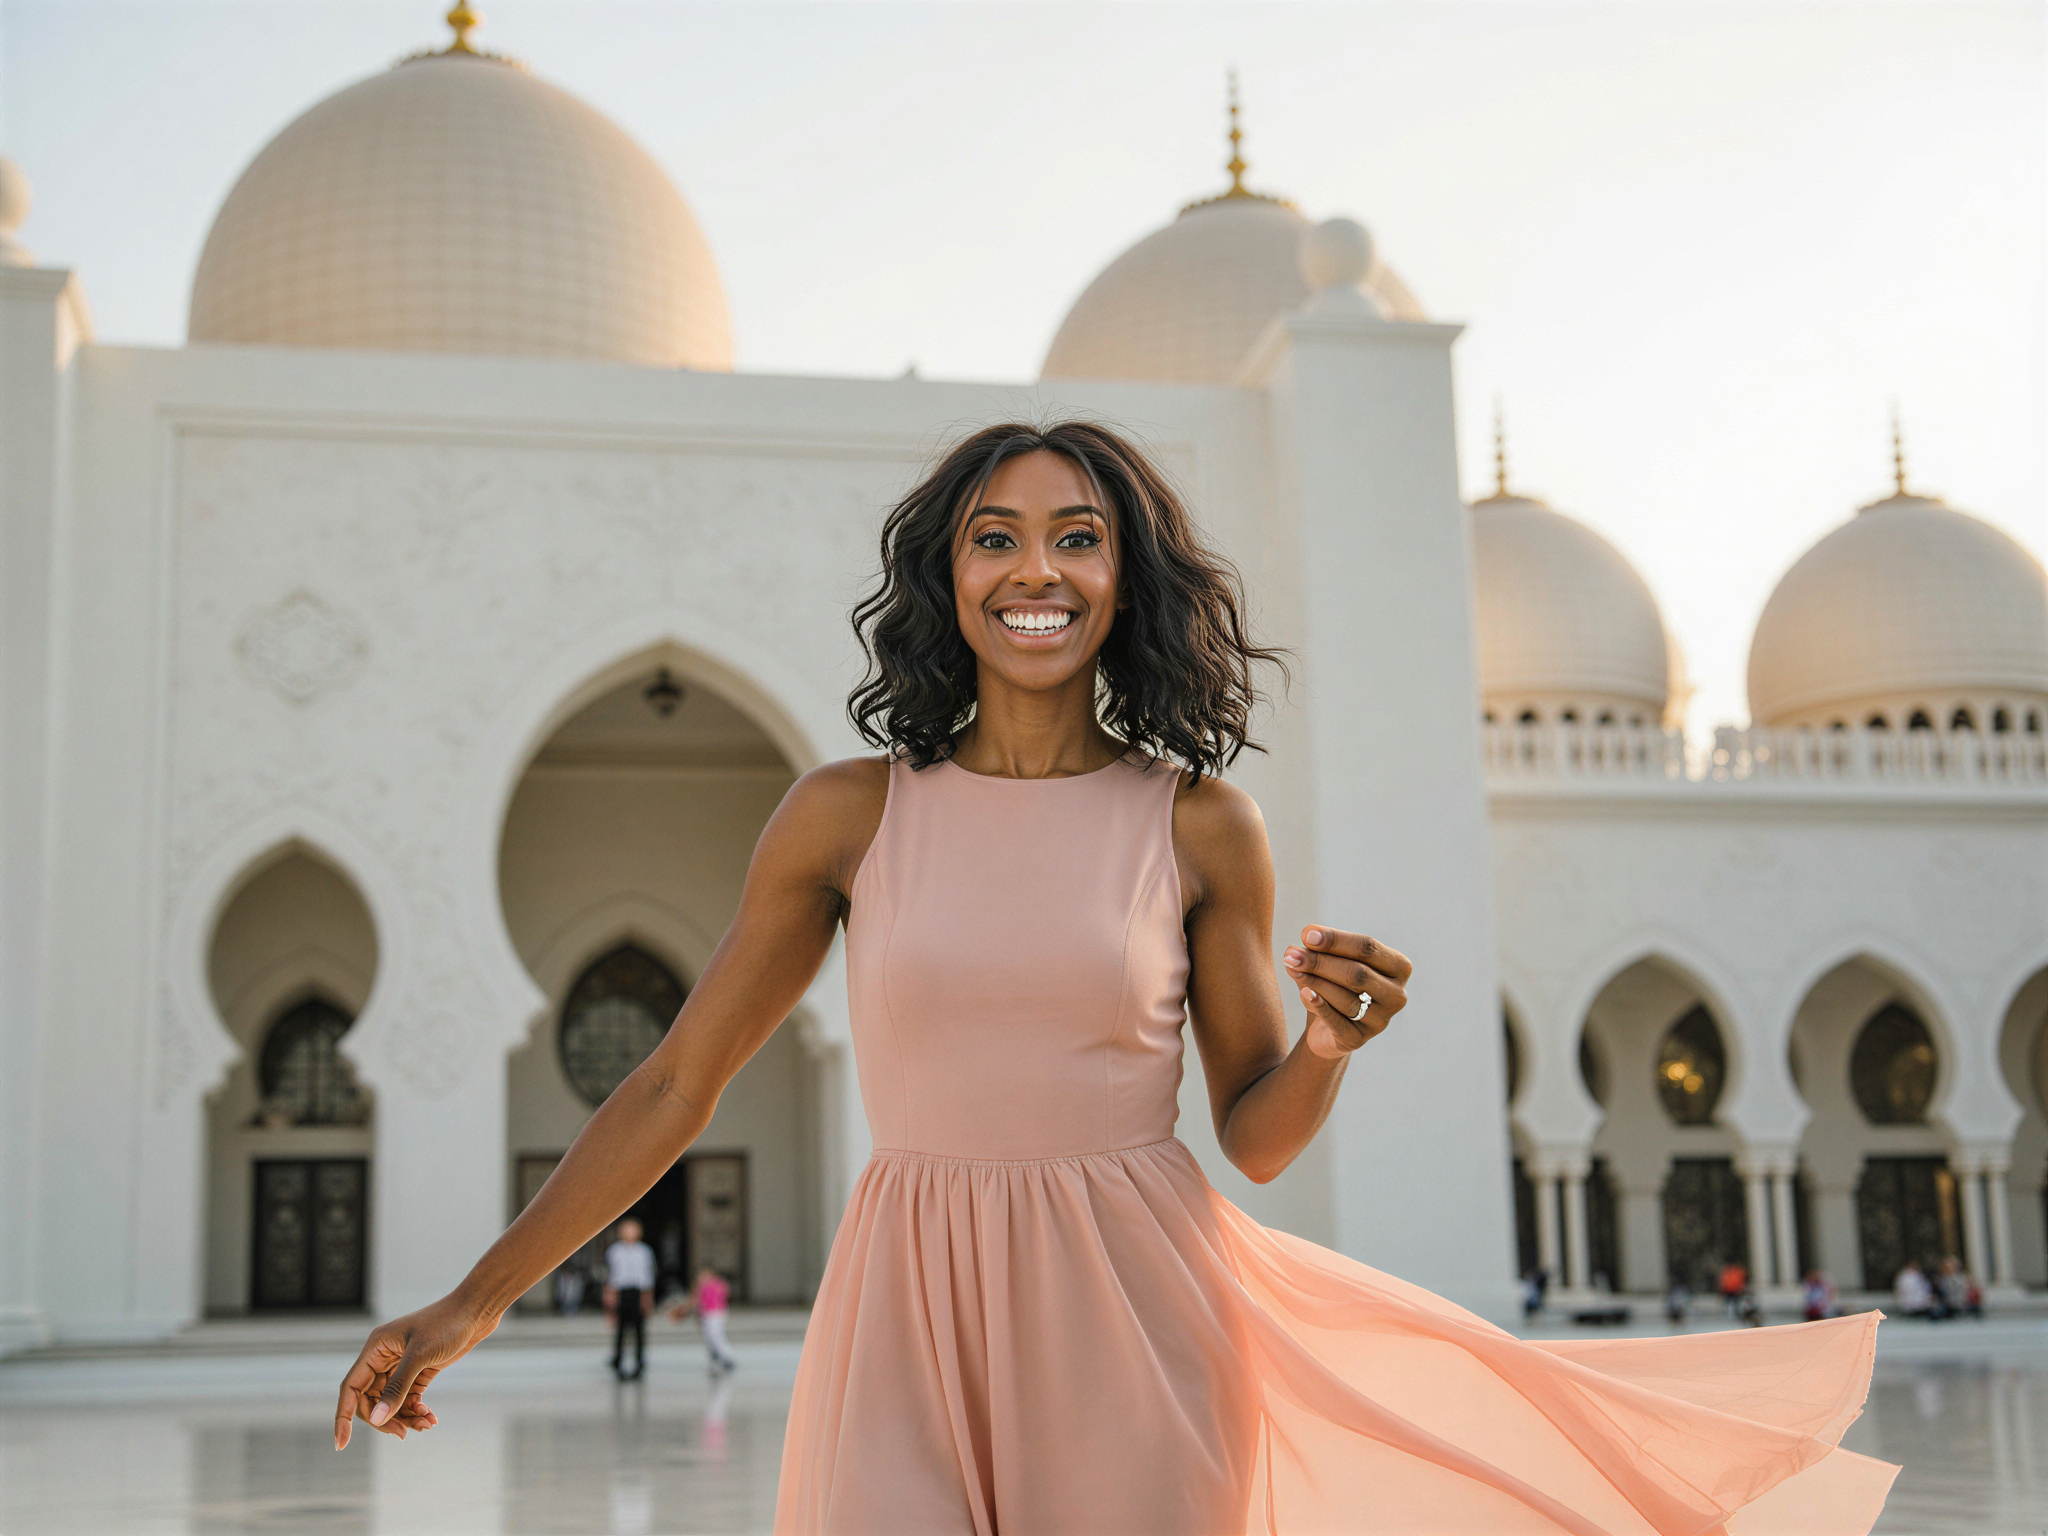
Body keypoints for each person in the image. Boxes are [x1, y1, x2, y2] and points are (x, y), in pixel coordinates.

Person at [334, 421, 1896, 1532]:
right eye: (996, 537)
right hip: (908, 1304)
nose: (1039, 571)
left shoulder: (1200, 824)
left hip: (1140, 1317)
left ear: (1126, 578)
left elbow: (1255, 1134)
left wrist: (1330, 1043)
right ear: (947, 575)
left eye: (1078, 538)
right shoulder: (847, 814)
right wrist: (473, 1302)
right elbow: (679, 1084)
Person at [603, 1219, 656, 1379]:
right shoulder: (615, 1251)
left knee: (639, 1329)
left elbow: (647, 1275)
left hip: (638, 1291)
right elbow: (611, 1274)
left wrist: (647, 1298)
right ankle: (618, 1361)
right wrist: (609, 1294)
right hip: (621, 1292)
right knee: (621, 1328)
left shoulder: (644, 1251)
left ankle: (639, 1363)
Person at [667, 1264, 738, 1373]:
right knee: (711, 1337)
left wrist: (685, 1310)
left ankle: (726, 1357)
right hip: (712, 1313)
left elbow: (695, 1300)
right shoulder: (717, 1284)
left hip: (714, 1313)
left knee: (715, 1336)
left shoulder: (709, 1285)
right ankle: (717, 1357)